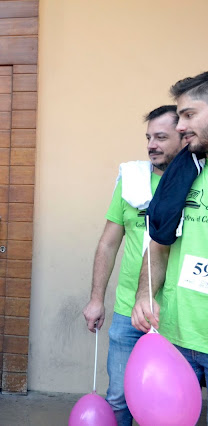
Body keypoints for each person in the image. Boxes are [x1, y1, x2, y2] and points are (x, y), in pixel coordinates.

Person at [81, 105, 184, 425]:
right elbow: (108, 243)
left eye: (161, 137)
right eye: (148, 137)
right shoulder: (131, 182)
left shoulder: (197, 183)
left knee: (170, 403)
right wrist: (96, 299)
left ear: (183, 137)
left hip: (177, 314)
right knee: (118, 398)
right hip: (129, 311)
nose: (152, 145)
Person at [132, 72, 208, 396]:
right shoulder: (184, 169)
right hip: (175, 335)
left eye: (189, 114)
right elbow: (160, 244)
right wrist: (144, 295)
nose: (180, 126)